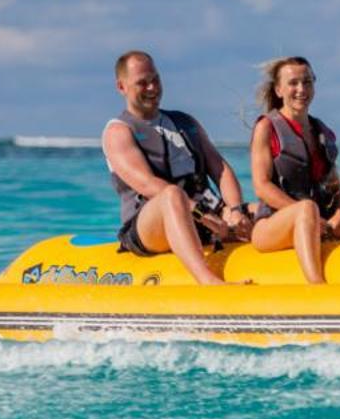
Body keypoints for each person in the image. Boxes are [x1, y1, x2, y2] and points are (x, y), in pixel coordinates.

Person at [101, 50, 251, 286]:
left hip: (204, 215)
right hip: (150, 226)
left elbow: (220, 169)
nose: (152, 88)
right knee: (172, 195)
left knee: (263, 210)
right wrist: (202, 214)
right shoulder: (118, 132)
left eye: (155, 79)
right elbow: (149, 186)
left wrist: (235, 210)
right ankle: (207, 281)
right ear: (122, 87)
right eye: (142, 83)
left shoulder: (185, 122)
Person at [248, 55, 340, 284]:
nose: (301, 89)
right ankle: (316, 285)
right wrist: (309, 215)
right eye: (293, 83)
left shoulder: (321, 131)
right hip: (270, 226)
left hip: (316, 221)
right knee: (307, 208)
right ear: (278, 90)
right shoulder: (267, 128)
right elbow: (261, 186)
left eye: (307, 82)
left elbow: (334, 184)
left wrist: (339, 214)